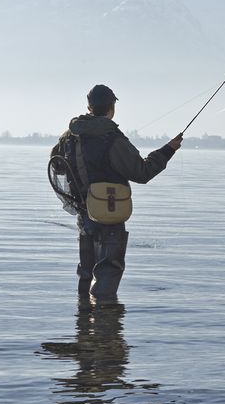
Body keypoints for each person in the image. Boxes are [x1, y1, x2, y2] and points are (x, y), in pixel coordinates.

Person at [66, 84, 182, 302]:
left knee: (85, 273)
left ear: (89, 107)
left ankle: (84, 327)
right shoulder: (113, 138)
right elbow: (142, 172)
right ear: (112, 107)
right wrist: (168, 150)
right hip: (110, 215)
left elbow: (60, 168)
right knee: (108, 275)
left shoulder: (70, 137)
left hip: (84, 215)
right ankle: (106, 328)